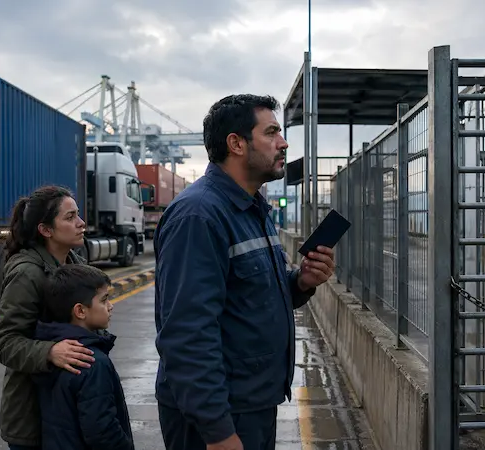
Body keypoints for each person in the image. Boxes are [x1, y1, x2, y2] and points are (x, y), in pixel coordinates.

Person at [153, 94, 336, 450]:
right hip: (218, 416)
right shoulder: (199, 216)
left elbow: (252, 294)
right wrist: (218, 431)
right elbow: (187, 334)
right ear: (236, 144)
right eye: (271, 133)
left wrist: (301, 282)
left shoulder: (252, 208)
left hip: (252, 404)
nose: (283, 143)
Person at [0, 185, 97, 450]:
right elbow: (5, 342)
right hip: (34, 418)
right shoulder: (27, 273)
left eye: (78, 215)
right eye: (70, 217)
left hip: (67, 411)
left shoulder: (76, 267)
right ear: (46, 230)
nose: (81, 223)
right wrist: (50, 352)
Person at [32, 264, 135, 450]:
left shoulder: (51, 350)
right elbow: (103, 432)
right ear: (80, 311)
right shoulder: (91, 360)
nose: (110, 306)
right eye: (104, 300)